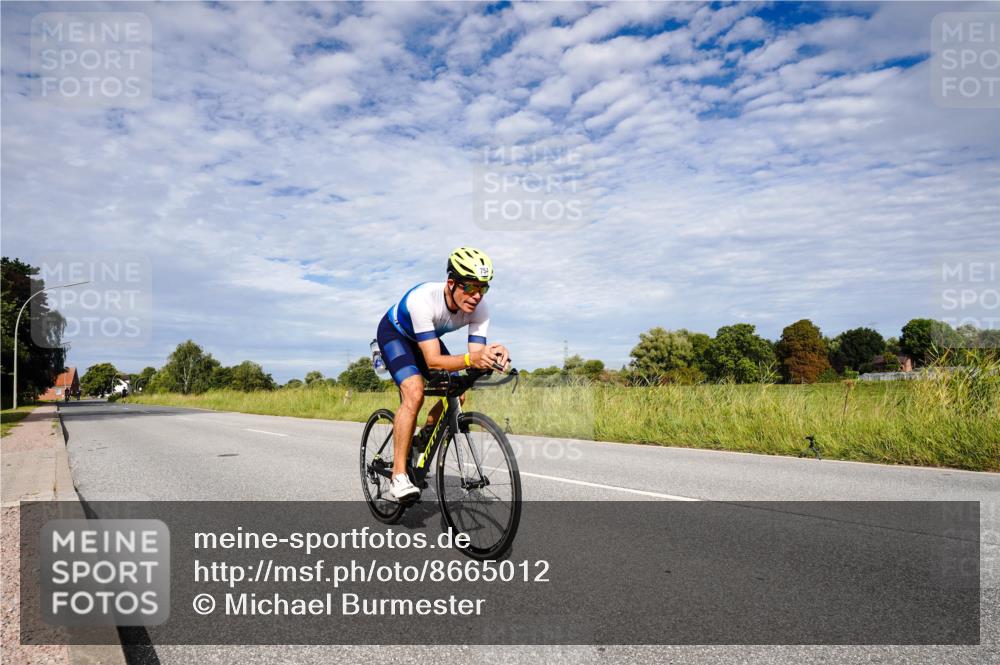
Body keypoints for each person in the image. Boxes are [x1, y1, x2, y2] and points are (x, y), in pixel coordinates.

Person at [375, 247, 510, 501]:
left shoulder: (480, 309)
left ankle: (419, 443)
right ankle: (398, 476)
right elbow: (434, 360)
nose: (476, 296)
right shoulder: (423, 299)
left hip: (427, 339)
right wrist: (473, 359)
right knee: (414, 393)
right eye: (470, 287)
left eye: (483, 288)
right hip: (396, 336)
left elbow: (476, 357)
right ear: (451, 283)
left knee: (458, 393)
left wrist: (494, 356)